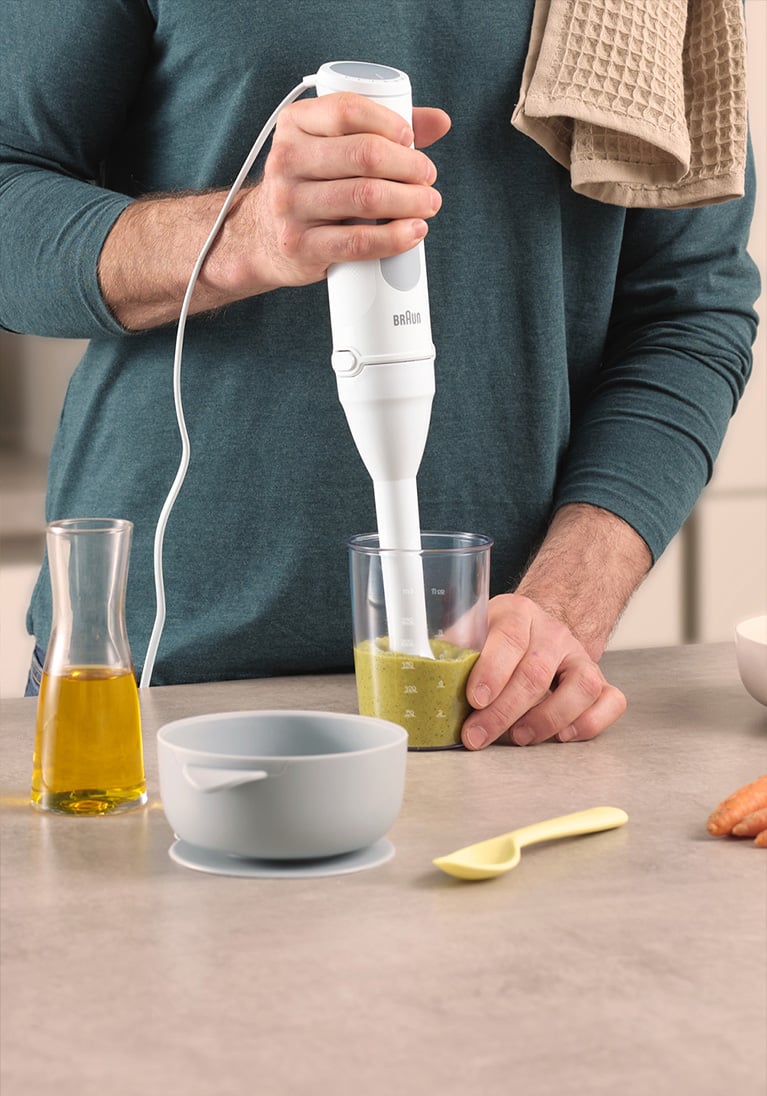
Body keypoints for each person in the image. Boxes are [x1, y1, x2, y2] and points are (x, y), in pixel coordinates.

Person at [0, 1, 759, 755]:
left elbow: (689, 312)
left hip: (493, 700)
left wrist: (565, 603)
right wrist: (243, 235)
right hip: (161, 679)